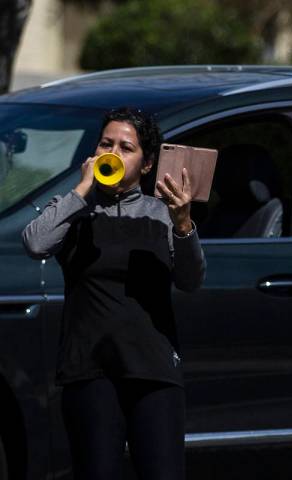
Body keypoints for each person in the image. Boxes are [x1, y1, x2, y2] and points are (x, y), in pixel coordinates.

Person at [22, 107, 206, 480]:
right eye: (107, 144)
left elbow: (191, 279)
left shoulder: (162, 213)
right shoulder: (76, 210)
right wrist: (81, 190)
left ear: (147, 163)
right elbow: (35, 243)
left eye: (126, 147)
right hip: (90, 371)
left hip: (153, 373)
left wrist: (183, 222)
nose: (114, 153)